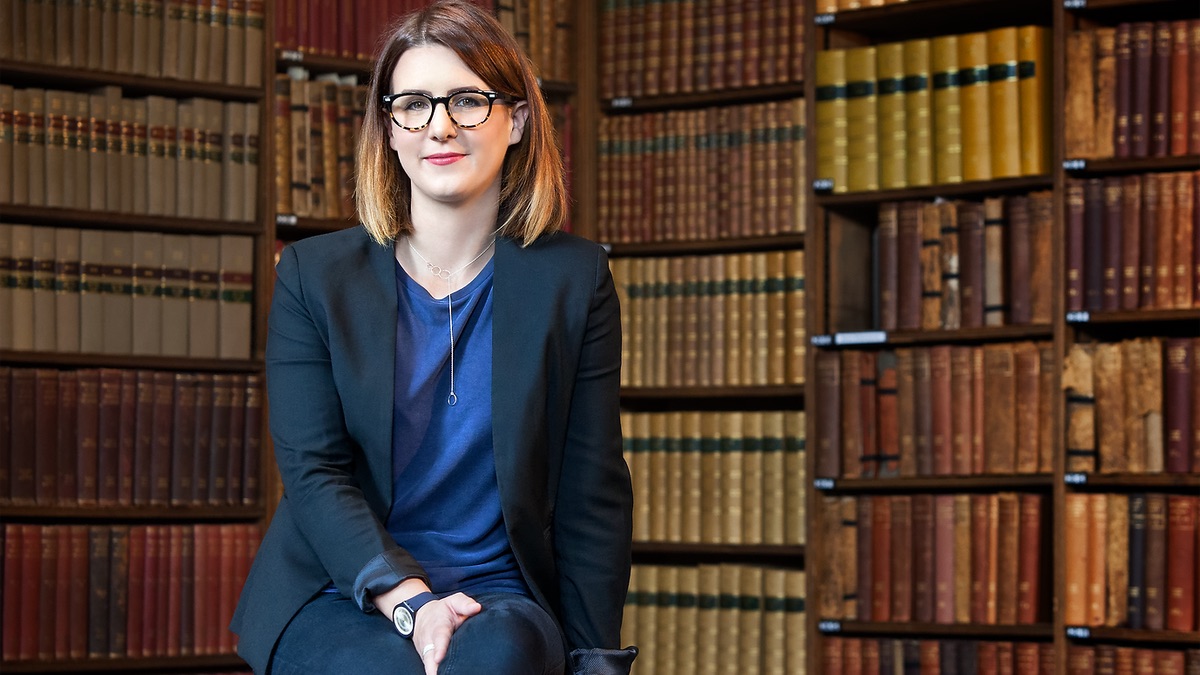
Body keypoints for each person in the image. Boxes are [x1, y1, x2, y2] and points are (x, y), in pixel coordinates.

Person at [229, 2, 636, 674]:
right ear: (389, 129)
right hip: (344, 587)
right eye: (414, 105)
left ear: (517, 120)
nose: (440, 126)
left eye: (468, 101)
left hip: (498, 597)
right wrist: (411, 601)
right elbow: (314, 473)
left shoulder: (574, 278)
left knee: (496, 656)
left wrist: (595, 662)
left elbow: (592, 491)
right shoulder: (313, 276)